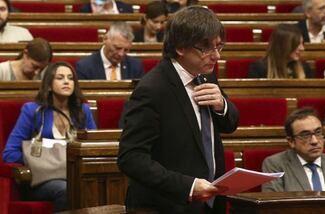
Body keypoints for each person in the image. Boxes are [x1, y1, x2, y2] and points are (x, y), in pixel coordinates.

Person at [117, 6, 239, 214]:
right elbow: (131, 158)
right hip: (168, 206)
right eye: (206, 48)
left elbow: (230, 124)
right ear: (181, 47)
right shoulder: (152, 89)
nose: (216, 56)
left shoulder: (205, 74)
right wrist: (188, 186)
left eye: (219, 47)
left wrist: (222, 106)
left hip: (210, 203)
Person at [2, 62, 97, 212]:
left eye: (70, 78)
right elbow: (10, 153)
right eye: (60, 77)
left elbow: (94, 148)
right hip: (41, 181)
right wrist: (35, 162)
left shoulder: (82, 111)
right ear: (49, 85)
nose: (67, 81)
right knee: (66, 189)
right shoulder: (33, 111)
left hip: (76, 176)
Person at [262, 107, 325, 192]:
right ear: (291, 141)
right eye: (305, 135)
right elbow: (273, 207)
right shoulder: (275, 166)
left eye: (318, 132)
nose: (314, 141)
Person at [75, 21, 144, 80]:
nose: (121, 54)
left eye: (126, 50)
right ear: (105, 39)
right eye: (117, 48)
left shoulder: (135, 67)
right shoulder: (84, 67)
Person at [248, 24, 312, 79]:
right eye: (297, 44)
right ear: (283, 46)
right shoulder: (259, 68)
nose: (302, 48)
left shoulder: (305, 68)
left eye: (302, 44)